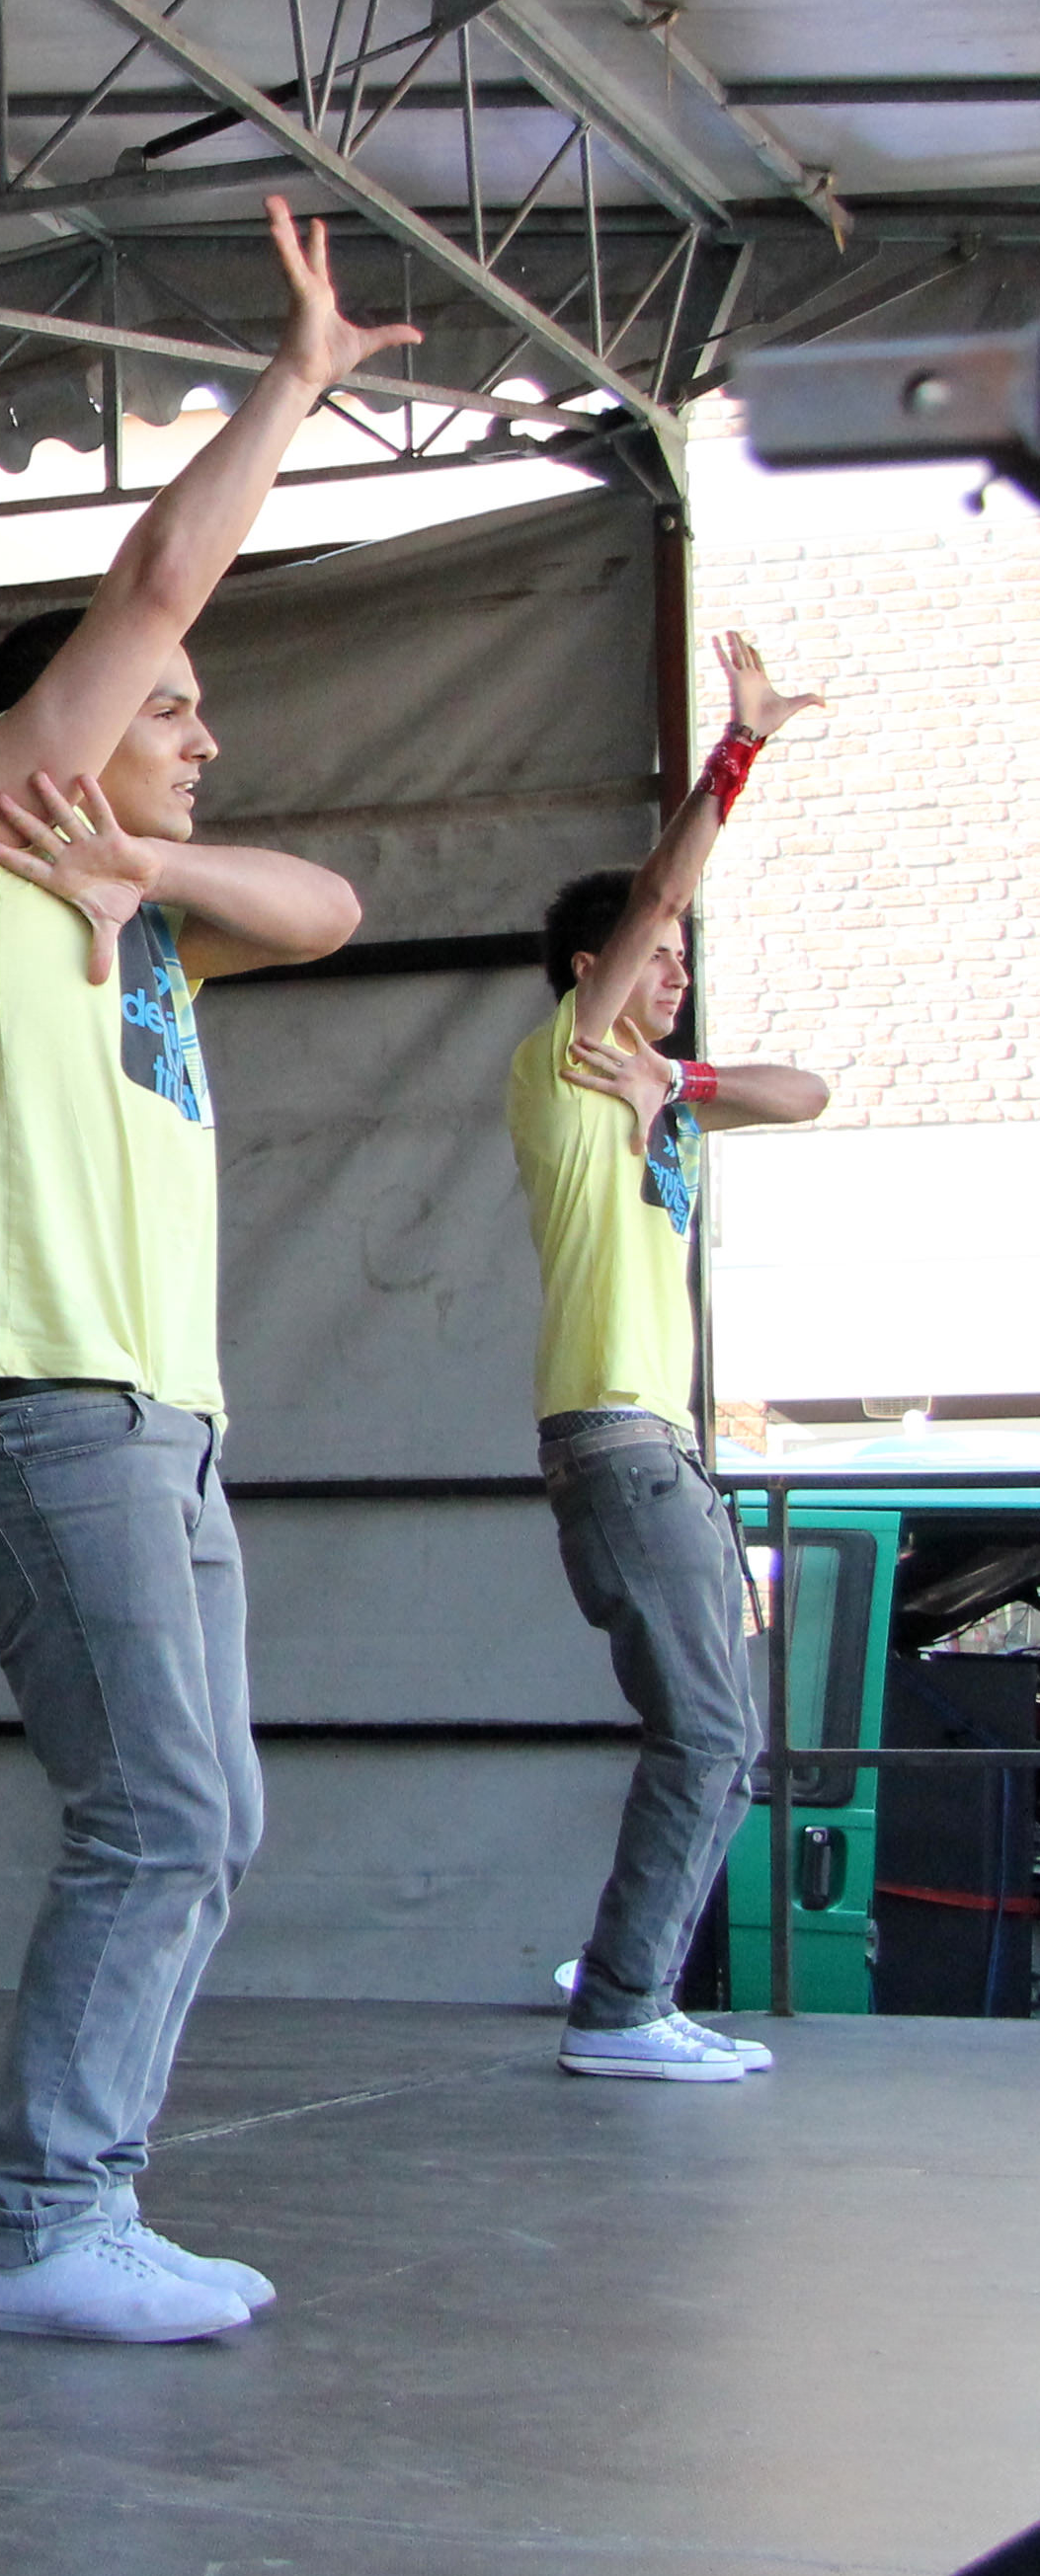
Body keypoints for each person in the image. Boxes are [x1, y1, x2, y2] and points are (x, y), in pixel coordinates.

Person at [0, 197, 400, 2346]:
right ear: (55, 729)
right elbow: (158, 578)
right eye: (165, 714)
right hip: (34, 1402)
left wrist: (154, 870)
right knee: (163, 1808)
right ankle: (41, 2223)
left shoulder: (144, 918)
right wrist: (290, 382)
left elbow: (336, 908)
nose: (198, 732)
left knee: (212, 1814)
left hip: (159, 1424)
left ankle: (83, 2199)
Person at [510, 632, 828, 2084]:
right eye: (661, 965)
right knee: (708, 1738)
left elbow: (809, 1091)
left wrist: (682, 1078)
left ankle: (621, 1974)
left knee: (719, 1736)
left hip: (657, 1453)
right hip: (622, 1445)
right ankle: (625, 2005)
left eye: (688, 969)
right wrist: (737, 751)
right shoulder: (567, 1064)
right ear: (596, 975)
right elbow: (658, 893)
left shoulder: (660, 1094)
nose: (677, 973)